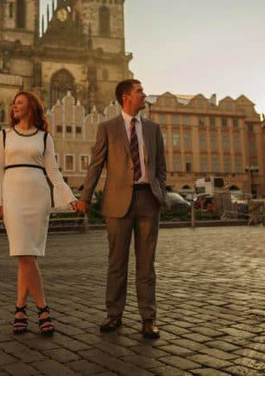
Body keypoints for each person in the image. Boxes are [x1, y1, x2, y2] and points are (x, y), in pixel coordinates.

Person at [73, 79, 167, 339]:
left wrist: (160, 191)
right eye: (140, 92)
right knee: (117, 263)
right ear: (126, 97)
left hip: (148, 200)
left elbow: (160, 166)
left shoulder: (152, 128)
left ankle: (149, 318)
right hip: (117, 203)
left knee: (147, 264)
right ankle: (114, 314)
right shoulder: (107, 128)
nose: (144, 95)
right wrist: (85, 197)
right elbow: (95, 165)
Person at [0, 91, 76, 335]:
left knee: (28, 257)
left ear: (32, 108)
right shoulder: (4, 136)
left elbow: (54, 172)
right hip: (13, 196)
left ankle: (19, 309)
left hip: (38, 196)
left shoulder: (45, 138)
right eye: (14, 103)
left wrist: (70, 197)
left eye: (19, 103)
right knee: (24, 254)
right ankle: (43, 309)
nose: (14, 107)